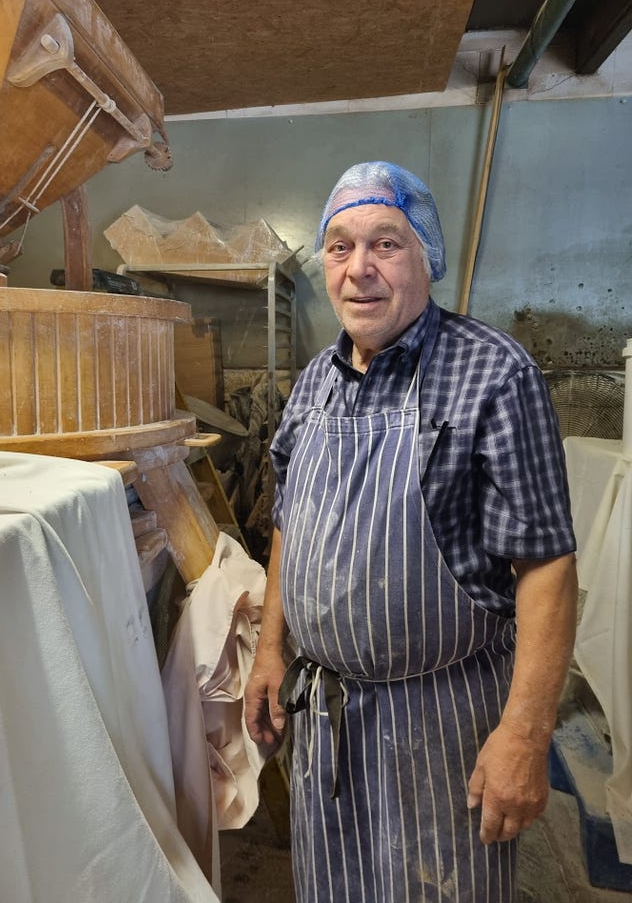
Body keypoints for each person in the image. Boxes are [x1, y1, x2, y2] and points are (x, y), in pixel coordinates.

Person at [244, 161, 578, 902]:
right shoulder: (313, 383)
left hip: (442, 726)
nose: (359, 269)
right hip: (326, 719)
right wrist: (273, 648)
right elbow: (287, 525)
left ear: (426, 255)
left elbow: (547, 563)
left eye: (386, 244)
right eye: (339, 247)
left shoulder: (494, 374)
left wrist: (525, 734)